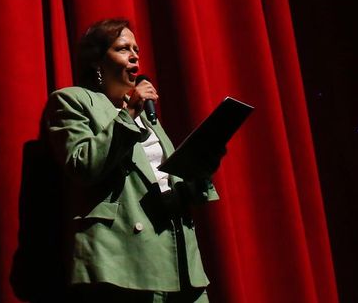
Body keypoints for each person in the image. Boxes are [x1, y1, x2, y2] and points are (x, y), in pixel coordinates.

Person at [40, 18, 223, 302]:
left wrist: (201, 169)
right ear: (97, 62)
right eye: (123, 48)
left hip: (179, 259)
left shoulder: (147, 117)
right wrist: (129, 117)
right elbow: (82, 165)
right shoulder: (72, 101)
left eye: (136, 49)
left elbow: (167, 184)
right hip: (122, 260)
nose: (135, 55)